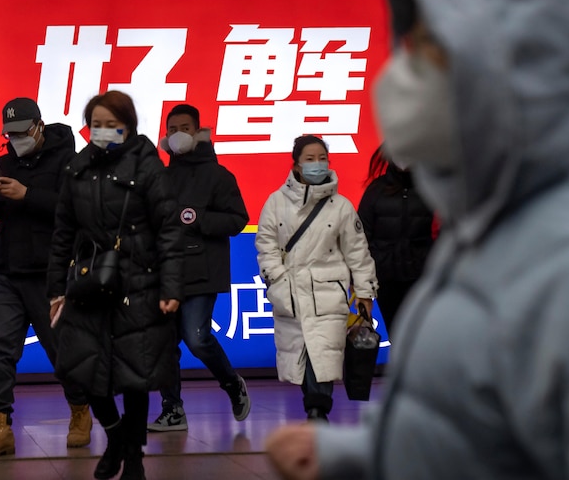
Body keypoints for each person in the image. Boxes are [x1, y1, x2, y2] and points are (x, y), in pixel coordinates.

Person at [265, 0, 569, 480]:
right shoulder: (493, 224)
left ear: (525, 65)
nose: (405, 76)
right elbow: (469, 427)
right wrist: (351, 455)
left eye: (433, 50)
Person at [47, 90, 182, 480]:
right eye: (97, 125)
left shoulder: (148, 166)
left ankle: (134, 459)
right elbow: (62, 232)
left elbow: (169, 230)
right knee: (81, 369)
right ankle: (116, 435)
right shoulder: (77, 167)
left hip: (138, 282)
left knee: (134, 376)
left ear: (129, 125)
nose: (104, 132)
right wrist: (56, 286)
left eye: (112, 124)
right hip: (89, 282)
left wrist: (171, 288)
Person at [0, 98, 90, 456]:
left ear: (38, 126)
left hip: (50, 274)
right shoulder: (5, 162)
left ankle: (80, 411)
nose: (15, 139)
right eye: (9, 134)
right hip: (6, 270)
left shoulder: (68, 161)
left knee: (62, 351)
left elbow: (78, 210)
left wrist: (28, 195)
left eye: (22, 132)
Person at [255, 135, 378, 421]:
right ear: (296, 165)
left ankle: (317, 408)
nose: (317, 164)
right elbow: (266, 244)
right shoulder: (276, 202)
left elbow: (358, 252)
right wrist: (277, 280)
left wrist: (364, 293)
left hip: (328, 292)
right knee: (302, 351)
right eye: (309, 159)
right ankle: (314, 405)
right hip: (291, 292)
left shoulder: (341, 206)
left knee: (322, 352)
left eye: (322, 158)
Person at [147, 104, 251, 432]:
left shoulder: (218, 175)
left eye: (185, 128)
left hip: (203, 270)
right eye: (172, 129)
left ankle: (232, 384)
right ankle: (172, 409)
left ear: (198, 130)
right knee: (163, 343)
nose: (178, 135)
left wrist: (198, 219)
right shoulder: (158, 177)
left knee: (196, 338)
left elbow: (238, 219)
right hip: (164, 272)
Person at [357, 145, 434, 334]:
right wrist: (363, 281)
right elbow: (360, 239)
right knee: (395, 331)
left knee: (421, 332)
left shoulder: (430, 189)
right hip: (386, 277)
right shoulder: (376, 191)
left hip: (421, 277)